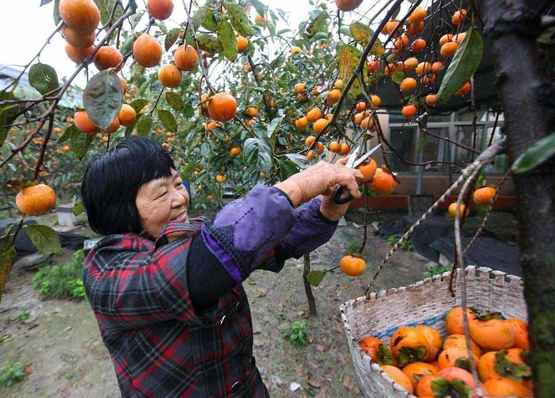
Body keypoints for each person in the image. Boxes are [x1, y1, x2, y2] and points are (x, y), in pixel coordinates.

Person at [81, 136, 362, 397]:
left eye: (178, 184)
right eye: (160, 193)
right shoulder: (106, 274)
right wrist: (299, 186)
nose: (180, 199)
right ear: (122, 211)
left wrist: (325, 211)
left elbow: (269, 243)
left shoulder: (189, 235)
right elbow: (201, 268)